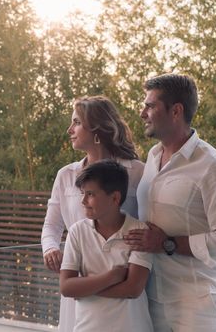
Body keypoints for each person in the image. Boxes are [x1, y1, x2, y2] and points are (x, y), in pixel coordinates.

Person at [124, 74, 216, 331]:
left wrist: (167, 243)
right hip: (153, 295)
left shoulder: (214, 166)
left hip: (198, 299)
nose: (142, 113)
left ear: (176, 111)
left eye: (150, 106)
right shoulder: (153, 156)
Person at [41, 95, 144, 332]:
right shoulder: (66, 175)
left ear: (97, 129)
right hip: (77, 276)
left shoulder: (137, 172)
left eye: (76, 122)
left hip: (124, 281)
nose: (70, 129)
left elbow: (148, 223)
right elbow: (51, 226)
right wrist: (51, 248)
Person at [59, 159, 153, 332]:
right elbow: (66, 288)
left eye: (90, 194)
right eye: (82, 194)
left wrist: (84, 288)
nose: (83, 201)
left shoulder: (139, 232)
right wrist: (111, 277)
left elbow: (132, 289)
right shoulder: (77, 232)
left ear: (115, 198)